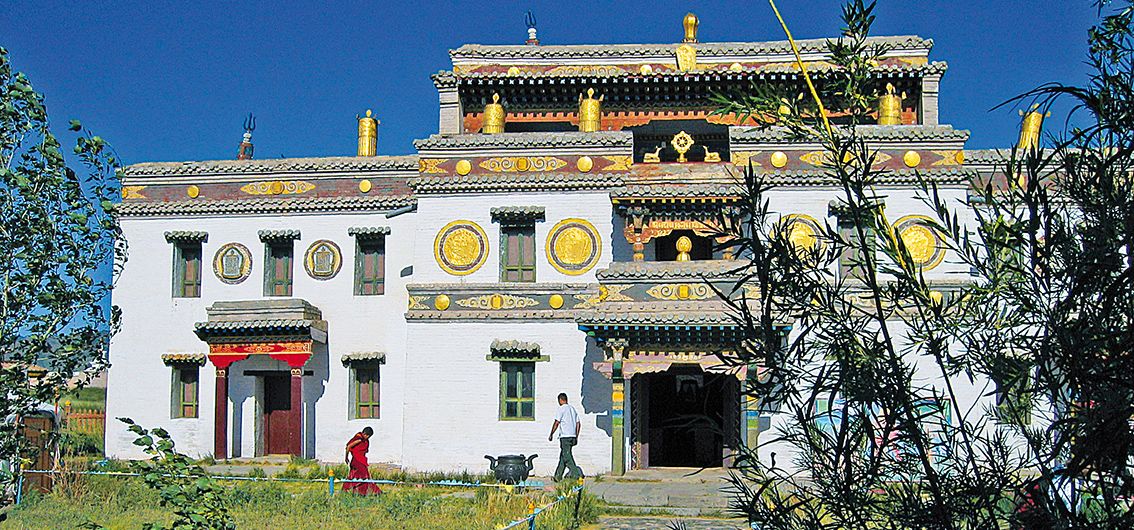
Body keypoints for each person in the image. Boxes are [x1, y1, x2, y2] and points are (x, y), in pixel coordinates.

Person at [548, 392, 583, 481]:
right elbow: (578, 423)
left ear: (560, 400)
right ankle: (557, 476)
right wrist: (576, 435)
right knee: (563, 456)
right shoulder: (573, 409)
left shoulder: (561, 409)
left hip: (565, 437)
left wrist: (551, 433)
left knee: (567, 456)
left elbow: (556, 422)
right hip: (572, 436)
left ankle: (576, 475)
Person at [343, 427, 381, 495]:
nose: (368, 438)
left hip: (359, 460)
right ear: (365, 434)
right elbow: (348, 446)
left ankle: (348, 490)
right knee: (364, 476)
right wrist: (346, 457)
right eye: (368, 436)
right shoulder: (359, 439)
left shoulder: (364, 440)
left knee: (353, 475)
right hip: (358, 460)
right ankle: (366, 492)